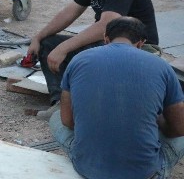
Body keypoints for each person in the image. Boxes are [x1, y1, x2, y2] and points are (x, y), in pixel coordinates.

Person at [27, 0, 158, 119]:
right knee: (48, 44)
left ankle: (85, 106)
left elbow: (106, 25)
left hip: (140, 50)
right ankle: (60, 104)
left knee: (81, 55)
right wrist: (38, 37)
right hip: (109, 44)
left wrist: (64, 47)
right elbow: (71, 11)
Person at [50, 16, 184, 179]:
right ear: (141, 43)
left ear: (106, 39)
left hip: (88, 169)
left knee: (56, 117)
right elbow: (179, 128)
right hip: (145, 174)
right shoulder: (162, 66)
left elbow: (68, 121)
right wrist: (158, 121)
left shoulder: (78, 60)